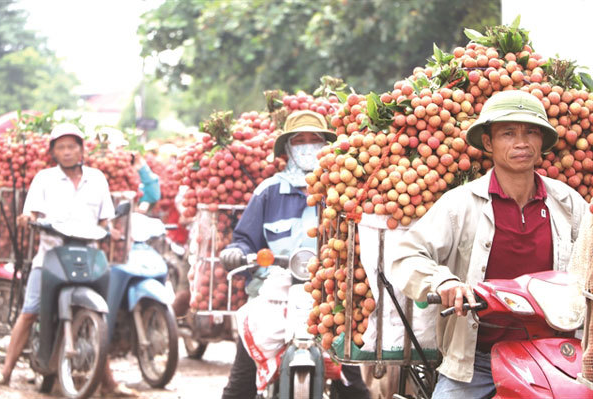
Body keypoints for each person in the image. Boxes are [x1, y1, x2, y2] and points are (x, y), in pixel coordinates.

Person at [389, 90, 588, 398]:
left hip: (555, 354)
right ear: (487, 143)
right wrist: (444, 283)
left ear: (541, 144)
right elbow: (406, 256)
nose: (521, 143)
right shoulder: (460, 204)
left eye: (531, 132)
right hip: (478, 362)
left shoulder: (566, 202)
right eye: (508, 133)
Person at [219, 110, 371, 399]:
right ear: (288, 148)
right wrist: (236, 252)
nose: (307, 146)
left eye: (314, 140)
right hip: (272, 293)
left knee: (353, 386)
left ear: (326, 145)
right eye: (299, 140)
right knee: (240, 384)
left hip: (330, 295)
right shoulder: (269, 191)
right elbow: (244, 239)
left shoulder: (342, 190)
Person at [0, 123, 139, 397]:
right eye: (61, 147)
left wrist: (112, 227)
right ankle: (6, 371)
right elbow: (33, 213)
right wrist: (29, 219)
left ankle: (108, 382)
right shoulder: (44, 178)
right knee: (30, 311)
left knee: (101, 315)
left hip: (87, 253)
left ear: (82, 149)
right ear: (54, 152)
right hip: (50, 256)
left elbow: (105, 216)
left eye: (72, 146)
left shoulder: (96, 179)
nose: (67, 152)